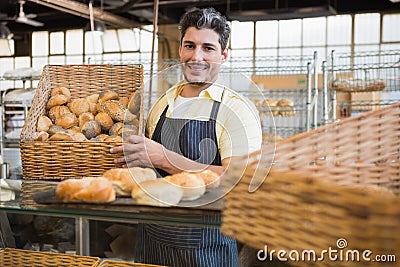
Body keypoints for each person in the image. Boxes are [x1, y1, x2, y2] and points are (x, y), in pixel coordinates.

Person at [110, 7, 262, 267]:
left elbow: (239, 181)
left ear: (224, 55)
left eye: (208, 48)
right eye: (189, 46)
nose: (196, 57)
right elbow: (143, 162)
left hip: (206, 248)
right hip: (150, 242)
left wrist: (163, 157)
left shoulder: (236, 109)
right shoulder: (162, 103)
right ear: (180, 50)